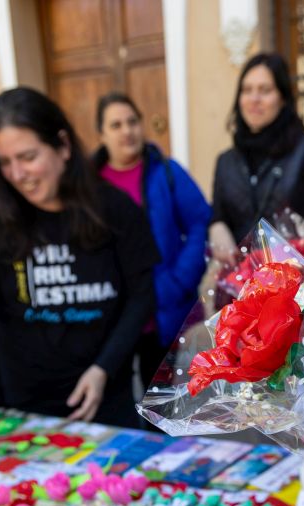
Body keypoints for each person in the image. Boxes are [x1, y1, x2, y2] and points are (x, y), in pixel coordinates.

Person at [0, 87, 159, 449]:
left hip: (106, 403)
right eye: (4, 162)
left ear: (62, 146)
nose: (18, 174)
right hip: (21, 410)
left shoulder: (115, 209)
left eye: (28, 157)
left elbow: (141, 297)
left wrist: (102, 369)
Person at [92, 92, 211, 389]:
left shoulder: (166, 171)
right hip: (111, 315)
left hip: (160, 310)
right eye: (116, 125)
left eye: (132, 122)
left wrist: (177, 282)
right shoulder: (89, 183)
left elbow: (199, 223)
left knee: (159, 400)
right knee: (112, 396)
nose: (127, 131)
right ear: (101, 134)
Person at [208, 52, 304, 264]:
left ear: (282, 98)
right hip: (241, 286)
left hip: (301, 285)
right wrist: (216, 228)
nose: (254, 99)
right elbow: (219, 215)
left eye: (265, 90)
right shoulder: (226, 161)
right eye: (247, 90)